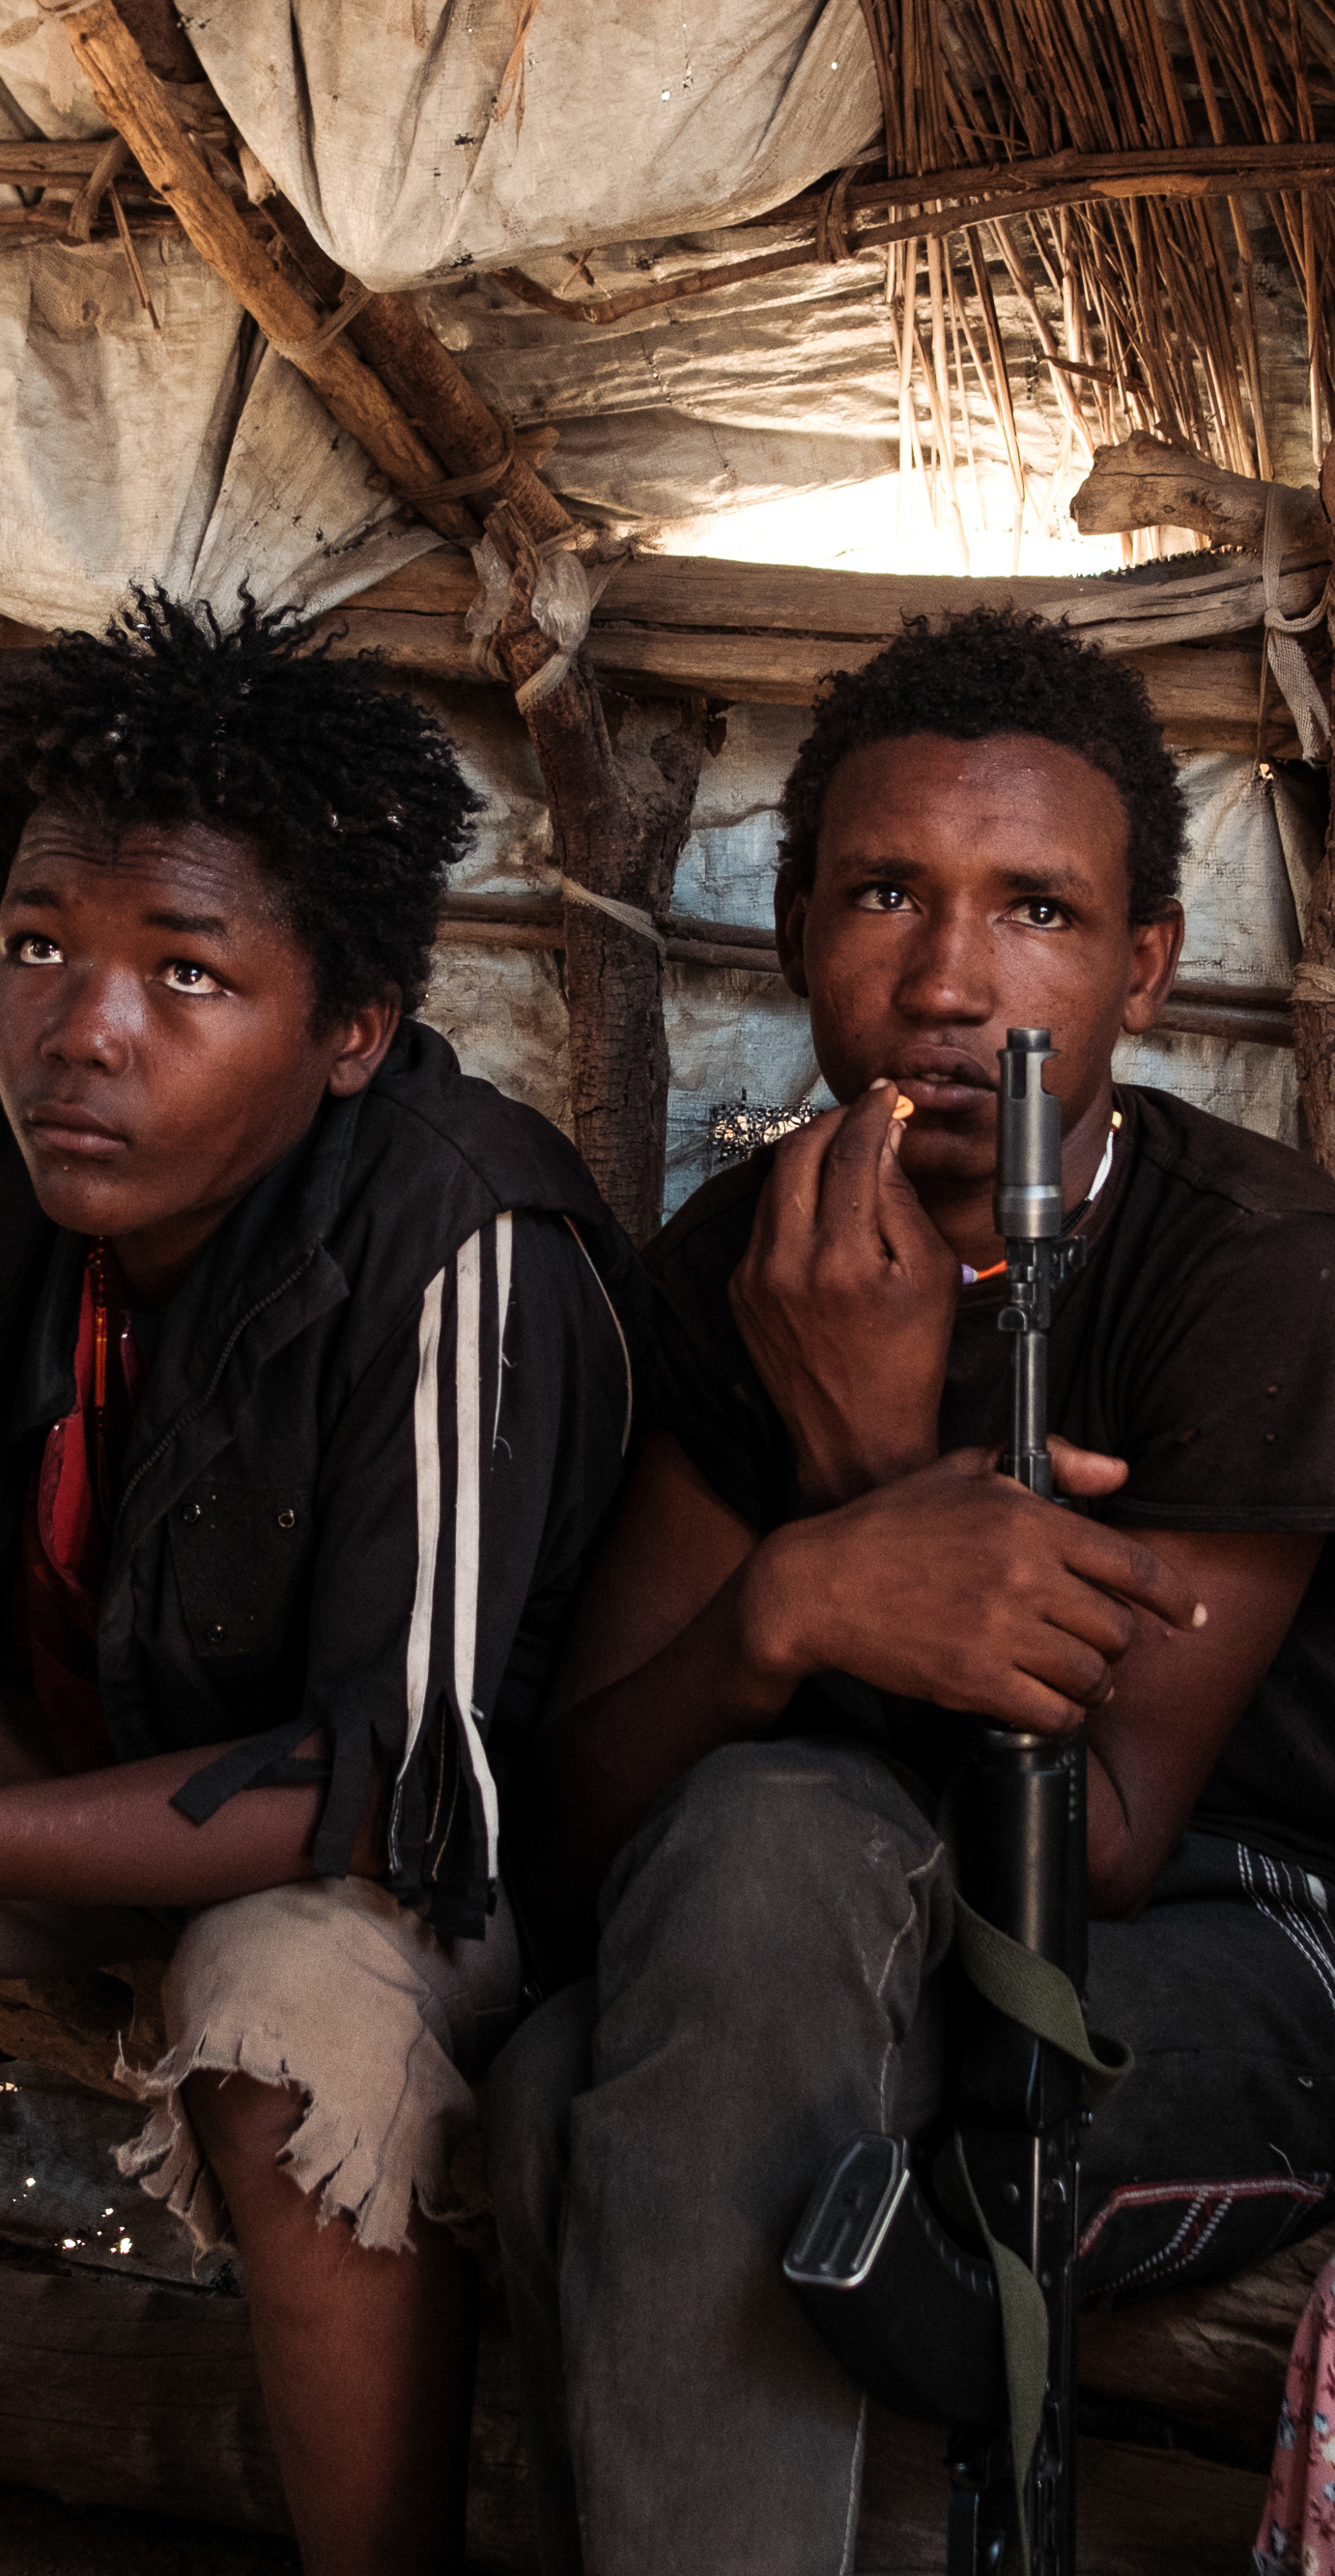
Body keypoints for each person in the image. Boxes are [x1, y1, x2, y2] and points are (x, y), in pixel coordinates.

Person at [486, 608, 1335, 2576]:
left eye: (1035, 908)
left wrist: (874, 1474)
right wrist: (784, 1601)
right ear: (795, 931)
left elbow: (1103, 1837)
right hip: (852, 1914)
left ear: (1144, 966)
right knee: (547, 2074)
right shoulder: (741, 1264)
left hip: (1257, 1932)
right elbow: (577, 1842)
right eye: (883, 893)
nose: (949, 982)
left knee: (736, 1921)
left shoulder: (1256, 1271)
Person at [0, 592, 645, 2576]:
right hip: (89, 1782)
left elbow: (391, 1800)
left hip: (429, 1888)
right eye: (38, 945)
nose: (85, 1027)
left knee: (286, 2017)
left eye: (186, 970)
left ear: (351, 1030)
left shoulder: (463, 1237)